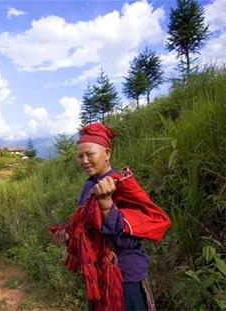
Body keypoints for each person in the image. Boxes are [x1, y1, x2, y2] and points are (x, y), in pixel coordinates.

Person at [49, 122, 170, 311]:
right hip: (98, 276)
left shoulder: (121, 186)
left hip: (124, 277)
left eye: (90, 154)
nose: (84, 160)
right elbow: (90, 231)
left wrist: (106, 205)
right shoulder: (90, 186)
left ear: (107, 153)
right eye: (80, 156)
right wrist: (69, 236)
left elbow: (128, 241)